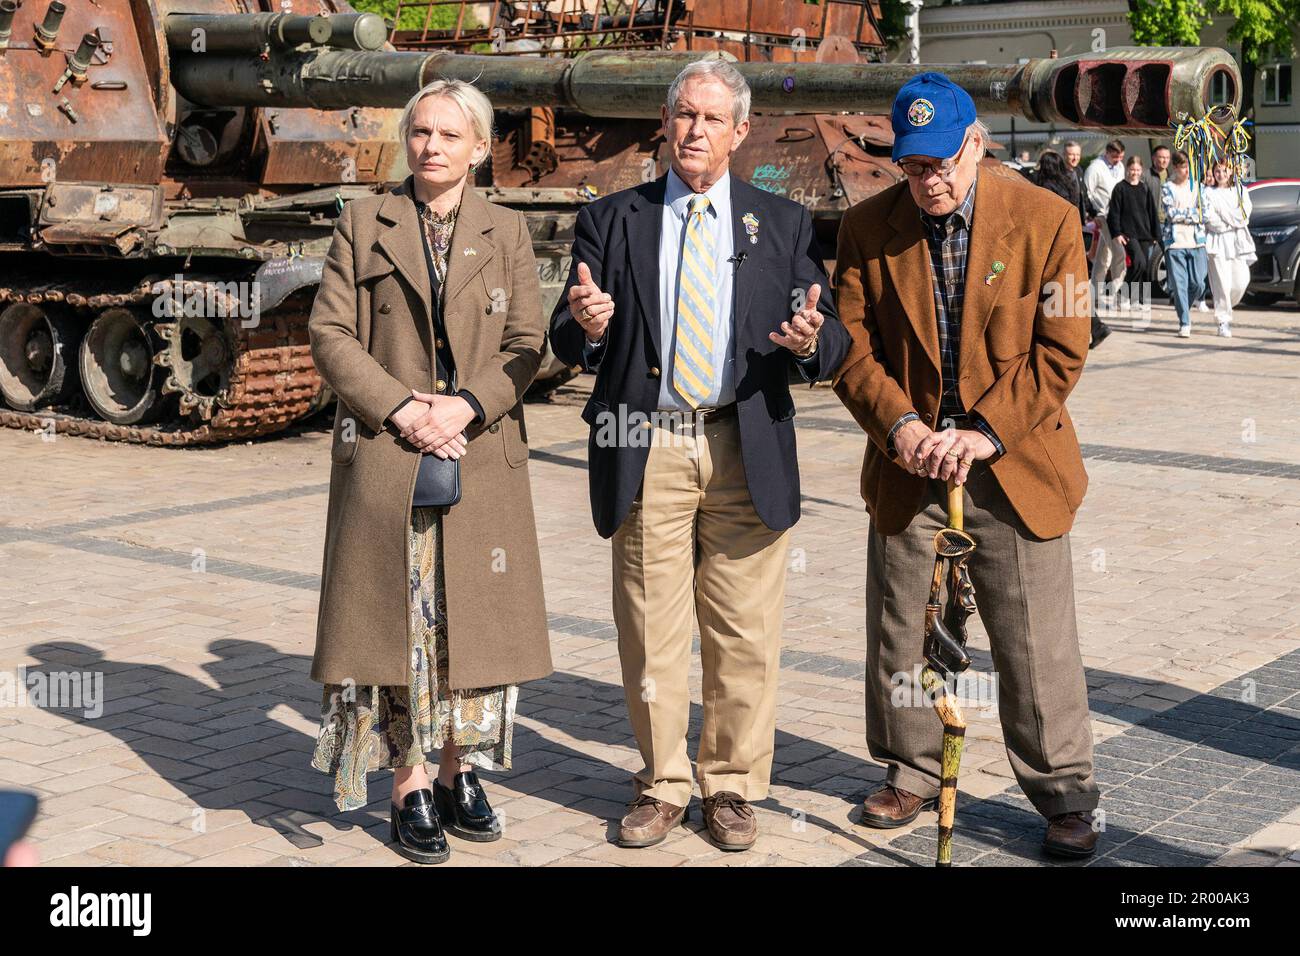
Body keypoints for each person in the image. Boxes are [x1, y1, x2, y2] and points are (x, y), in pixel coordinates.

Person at [549, 59, 850, 852]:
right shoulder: (613, 219)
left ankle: (733, 786)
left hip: (743, 442)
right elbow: (564, 333)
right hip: (648, 443)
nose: (695, 131)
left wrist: (810, 340)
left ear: (741, 131)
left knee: (745, 633)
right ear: (665, 117)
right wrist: (589, 323)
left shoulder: (780, 224)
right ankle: (662, 783)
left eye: (713, 119)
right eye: (684, 114)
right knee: (650, 629)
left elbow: (831, 331)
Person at [832, 72, 1102, 858]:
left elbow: (1065, 347)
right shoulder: (866, 228)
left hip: (1014, 459)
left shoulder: (1049, 220)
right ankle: (910, 770)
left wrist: (984, 432)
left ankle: (1063, 792)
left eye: (944, 163)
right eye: (914, 168)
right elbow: (851, 350)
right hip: (909, 460)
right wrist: (903, 426)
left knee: (1033, 641)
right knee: (906, 630)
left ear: (977, 144)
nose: (931, 181)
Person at [307, 80, 553, 864]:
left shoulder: (508, 231)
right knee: (400, 621)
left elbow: (528, 343)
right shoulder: (362, 223)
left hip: (477, 458)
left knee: (467, 621)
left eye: (449, 135)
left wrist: (466, 406)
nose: (431, 147)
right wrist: (403, 410)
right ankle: (409, 782)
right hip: (390, 456)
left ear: (479, 148)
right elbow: (331, 334)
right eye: (420, 133)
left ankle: (459, 770)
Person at [1203, 160, 1256, 337]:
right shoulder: (1208, 193)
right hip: (1217, 243)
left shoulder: (1241, 191)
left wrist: (1227, 218)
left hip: (1237, 241)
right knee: (1221, 284)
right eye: (1217, 171)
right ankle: (1223, 320)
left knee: (1241, 281)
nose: (1221, 174)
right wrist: (1230, 220)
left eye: (1224, 170)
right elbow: (1210, 220)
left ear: (1231, 172)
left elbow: (1243, 216)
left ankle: (1225, 306)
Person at [1161, 151, 1209, 338]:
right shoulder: (1168, 188)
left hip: (1196, 242)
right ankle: (1184, 321)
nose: (1187, 171)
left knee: (1198, 283)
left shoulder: (1198, 187)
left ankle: (1184, 307)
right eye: (1183, 167)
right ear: (1175, 168)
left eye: (1189, 167)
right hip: (1174, 244)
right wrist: (1192, 215)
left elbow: (1204, 213)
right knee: (1180, 284)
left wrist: (1186, 215)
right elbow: (1171, 214)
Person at [1107, 155, 1161, 302]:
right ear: (1127, 169)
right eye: (1132, 169)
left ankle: (1138, 297)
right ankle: (1123, 293)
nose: (1135, 172)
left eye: (1137, 170)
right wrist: (1117, 232)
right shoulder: (1120, 188)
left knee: (1142, 266)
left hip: (1145, 232)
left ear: (1141, 170)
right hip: (1128, 233)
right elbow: (1114, 212)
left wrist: (1156, 234)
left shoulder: (1144, 187)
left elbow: (1152, 211)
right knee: (1139, 262)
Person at [1144, 144, 1171, 229]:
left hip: (1169, 222)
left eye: (1167, 158)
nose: (1165, 160)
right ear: (1154, 158)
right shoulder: (1145, 176)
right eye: (1162, 157)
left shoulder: (1172, 177)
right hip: (1152, 222)